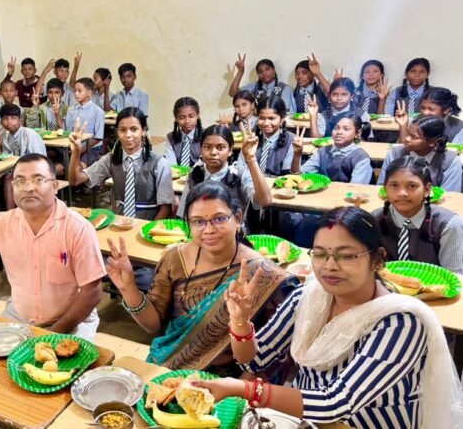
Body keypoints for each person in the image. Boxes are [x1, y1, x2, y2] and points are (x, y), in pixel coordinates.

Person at [195, 206, 463, 429]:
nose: (329, 266)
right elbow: (254, 359)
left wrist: (243, 389)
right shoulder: (308, 298)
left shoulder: (400, 323)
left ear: (378, 260)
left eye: (346, 256)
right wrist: (240, 320)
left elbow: (336, 402)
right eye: (320, 254)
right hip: (307, 420)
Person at [105, 181, 297, 371]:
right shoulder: (175, 260)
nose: (209, 230)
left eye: (219, 219)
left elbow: (269, 357)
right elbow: (152, 325)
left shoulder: (263, 275)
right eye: (198, 221)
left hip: (231, 377)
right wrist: (128, 288)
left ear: (238, 218)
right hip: (172, 366)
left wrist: (240, 322)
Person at [0, 154, 105, 342]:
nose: (29, 188)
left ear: (55, 186)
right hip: (19, 316)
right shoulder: (3, 222)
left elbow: (93, 293)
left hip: (72, 322)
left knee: (63, 360)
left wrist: (49, 335)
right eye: (20, 181)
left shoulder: (77, 228)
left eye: (38, 180)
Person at [70, 107, 172, 220]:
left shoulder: (159, 163)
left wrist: (149, 228)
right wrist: (76, 153)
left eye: (134, 129)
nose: (128, 135)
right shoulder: (111, 159)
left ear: (143, 131)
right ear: (117, 132)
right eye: (122, 130)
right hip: (120, 222)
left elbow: (166, 207)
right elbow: (75, 180)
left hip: (148, 222)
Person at [375, 156, 463, 275]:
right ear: (385, 189)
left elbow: (455, 277)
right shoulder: (375, 220)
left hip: (435, 285)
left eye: (412, 186)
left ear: (427, 190)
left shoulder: (447, 225)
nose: (402, 193)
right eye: (394, 185)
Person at [177, 125, 272, 219]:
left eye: (220, 148)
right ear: (201, 149)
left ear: (230, 151)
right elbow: (183, 213)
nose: (213, 152)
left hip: (232, 228)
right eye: (207, 147)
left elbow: (264, 201)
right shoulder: (195, 174)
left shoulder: (238, 175)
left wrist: (251, 158)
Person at [378, 117, 461, 191]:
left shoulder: (450, 161)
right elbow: (381, 187)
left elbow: (450, 195)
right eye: (408, 133)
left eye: (414, 137)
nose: (407, 139)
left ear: (432, 142)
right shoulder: (395, 153)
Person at [294, 114, 373, 185]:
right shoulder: (323, 151)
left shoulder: (361, 158)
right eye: (336, 128)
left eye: (346, 129)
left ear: (357, 133)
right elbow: (298, 176)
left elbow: (355, 189)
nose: (339, 132)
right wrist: (297, 155)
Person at [238, 96, 299, 177]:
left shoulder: (291, 140)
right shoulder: (251, 138)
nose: (266, 123)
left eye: (272, 118)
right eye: (261, 118)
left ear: (282, 119)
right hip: (250, 182)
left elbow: (288, 175)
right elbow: (240, 168)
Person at [227, 55, 294, 112]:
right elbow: (233, 93)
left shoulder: (285, 88)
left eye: (267, 69)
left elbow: (285, 110)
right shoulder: (254, 86)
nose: (264, 73)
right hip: (258, 121)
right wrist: (240, 72)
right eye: (260, 72)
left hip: (276, 121)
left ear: (274, 70)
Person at [64, 77, 105, 166]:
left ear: (89, 93)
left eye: (79, 91)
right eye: (75, 91)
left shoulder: (98, 111)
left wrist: (81, 149)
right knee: (61, 166)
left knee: (78, 167)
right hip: (72, 147)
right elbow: (66, 130)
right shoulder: (71, 109)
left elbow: (98, 137)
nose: (76, 94)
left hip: (91, 148)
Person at [165, 97, 204, 168]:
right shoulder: (171, 137)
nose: (187, 121)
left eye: (191, 116)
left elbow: (205, 163)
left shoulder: (206, 135)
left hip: (201, 173)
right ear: (176, 118)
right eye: (182, 117)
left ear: (198, 115)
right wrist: (181, 174)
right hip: (177, 174)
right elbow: (172, 165)